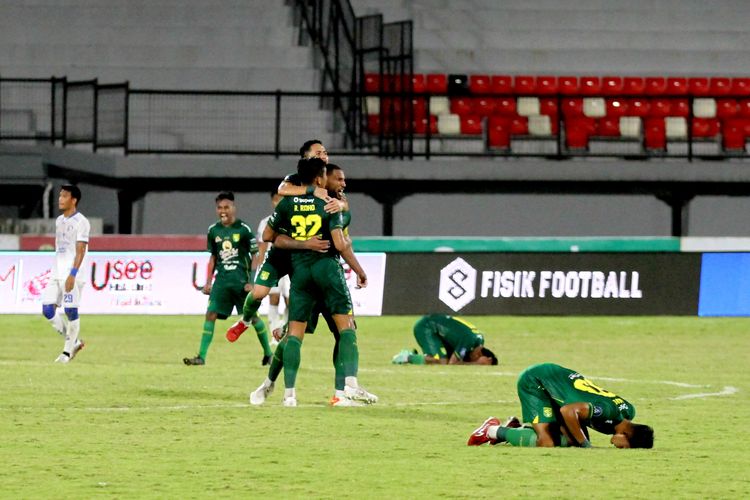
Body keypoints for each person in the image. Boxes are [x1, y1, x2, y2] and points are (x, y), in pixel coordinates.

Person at [250, 157, 376, 407]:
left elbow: (268, 236)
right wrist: (360, 271)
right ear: (320, 178)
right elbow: (340, 244)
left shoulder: (286, 204)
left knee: (293, 336)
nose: (341, 182)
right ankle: (350, 386)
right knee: (346, 329)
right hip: (327, 271)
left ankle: (289, 395)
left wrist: (301, 243)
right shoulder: (328, 204)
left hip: (300, 273)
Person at [225, 139, 340, 343]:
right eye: (318, 152)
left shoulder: (330, 178)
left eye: (325, 151)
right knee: (259, 292)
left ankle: (287, 330)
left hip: (308, 257)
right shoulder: (296, 181)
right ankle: (245, 320)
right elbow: (282, 189)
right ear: (306, 157)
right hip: (285, 251)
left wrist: (339, 204)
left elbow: (344, 202)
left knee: (303, 301)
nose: (324, 154)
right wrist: (311, 191)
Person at [467, 362, 654, 448]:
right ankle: (492, 430)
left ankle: (516, 428)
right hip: (538, 381)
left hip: (560, 383)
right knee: (547, 442)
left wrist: (578, 440)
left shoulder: (629, 410)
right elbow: (568, 410)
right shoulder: (606, 412)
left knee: (568, 441)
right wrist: (585, 443)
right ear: (626, 435)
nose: (619, 448)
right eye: (624, 446)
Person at [183, 192, 272, 366]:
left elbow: (256, 255)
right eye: (219, 208)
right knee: (210, 314)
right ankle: (201, 357)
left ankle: (268, 354)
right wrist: (208, 282)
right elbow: (213, 258)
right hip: (222, 282)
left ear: (233, 208)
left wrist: (252, 281)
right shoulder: (213, 230)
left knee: (252, 318)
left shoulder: (244, 229)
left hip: (241, 283)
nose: (223, 211)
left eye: (226, 207)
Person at [42, 184, 89, 363]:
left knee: (70, 310)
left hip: (73, 273)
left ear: (73, 200)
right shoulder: (59, 220)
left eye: (64, 196)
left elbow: (80, 250)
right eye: (60, 196)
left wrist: (73, 274)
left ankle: (66, 353)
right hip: (57, 271)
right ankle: (74, 342)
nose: (60, 199)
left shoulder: (82, 222)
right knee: (48, 309)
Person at [391, 314, 498, 365]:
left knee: (443, 359)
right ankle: (406, 357)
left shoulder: (479, 341)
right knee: (441, 361)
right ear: (479, 353)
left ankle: (416, 356)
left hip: (438, 331)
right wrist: (476, 364)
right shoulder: (469, 340)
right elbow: (452, 363)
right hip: (427, 327)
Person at [256, 190, 289, 342]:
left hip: (290, 266)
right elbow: (262, 248)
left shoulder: (292, 219)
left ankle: (285, 330)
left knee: (290, 301)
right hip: (273, 266)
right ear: (272, 202)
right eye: (276, 200)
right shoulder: (266, 222)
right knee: (273, 299)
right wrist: (260, 268)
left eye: (281, 199)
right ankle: (274, 335)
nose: (278, 203)